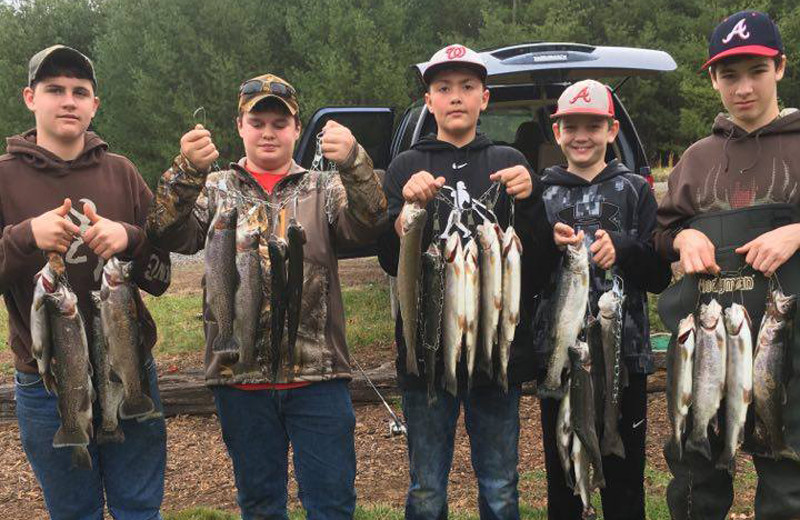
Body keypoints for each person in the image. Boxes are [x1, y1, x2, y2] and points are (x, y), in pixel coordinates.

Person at [146, 73, 387, 519]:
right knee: (259, 506)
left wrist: (355, 161)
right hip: (241, 380)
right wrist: (184, 172)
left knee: (333, 504)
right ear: (239, 125)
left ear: (298, 129)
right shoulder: (214, 187)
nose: (269, 132)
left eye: (280, 122)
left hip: (319, 378)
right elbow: (164, 232)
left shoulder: (323, 187)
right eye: (258, 122)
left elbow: (371, 220)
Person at [378, 44, 558, 520]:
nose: (455, 97)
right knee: (426, 488)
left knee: (500, 485)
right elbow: (388, 256)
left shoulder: (508, 159)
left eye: (467, 87)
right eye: (443, 88)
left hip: (498, 351)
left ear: (485, 98)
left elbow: (537, 262)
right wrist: (407, 213)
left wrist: (533, 196)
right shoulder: (404, 165)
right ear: (428, 100)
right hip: (428, 352)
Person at [3, 44, 171, 520]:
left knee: (139, 508)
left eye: (80, 91)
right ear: (30, 98)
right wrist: (24, 236)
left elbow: (160, 278)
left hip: (129, 368)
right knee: (73, 512)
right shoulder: (3, 179)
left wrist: (131, 238)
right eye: (55, 90)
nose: (69, 100)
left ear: (95, 104)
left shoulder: (121, 172)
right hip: (49, 382)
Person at [655, 10, 800, 519]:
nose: (743, 88)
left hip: (789, 359)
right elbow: (660, 236)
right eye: (729, 74)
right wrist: (684, 235)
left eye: (756, 71)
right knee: (696, 483)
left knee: (789, 487)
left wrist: (797, 231)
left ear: (780, 67)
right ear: (712, 77)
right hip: (706, 352)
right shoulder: (695, 159)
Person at [533, 78, 671, 519]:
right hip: (561, 358)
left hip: (623, 361)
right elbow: (525, 277)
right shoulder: (542, 193)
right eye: (570, 126)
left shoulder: (635, 190)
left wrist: (625, 248)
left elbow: (658, 275)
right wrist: (544, 245)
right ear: (557, 132)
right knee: (565, 473)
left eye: (593, 125)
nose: (581, 136)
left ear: (612, 130)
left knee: (624, 475)